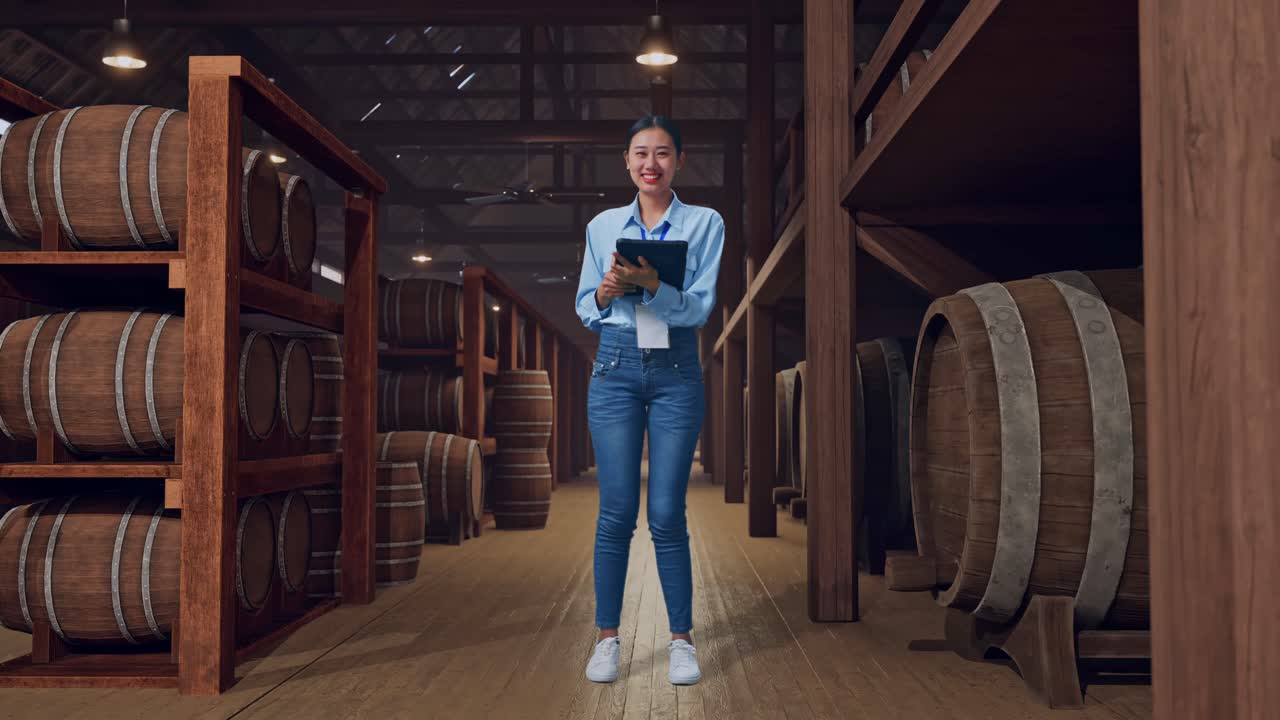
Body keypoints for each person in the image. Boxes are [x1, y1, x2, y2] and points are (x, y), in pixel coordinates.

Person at [574, 115, 724, 686]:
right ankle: (607, 638)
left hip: (676, 369)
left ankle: (681, 641)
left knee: (666, 514)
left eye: (663, 153)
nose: (650, 163)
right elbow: (587, 305)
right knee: (615, 513)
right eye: (640, 153)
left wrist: (653, 284)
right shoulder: (602, 224)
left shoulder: (705, 223)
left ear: (679, 161)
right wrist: (608, 290)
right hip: (614, 365)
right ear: (627, 161)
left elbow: (700, 307)